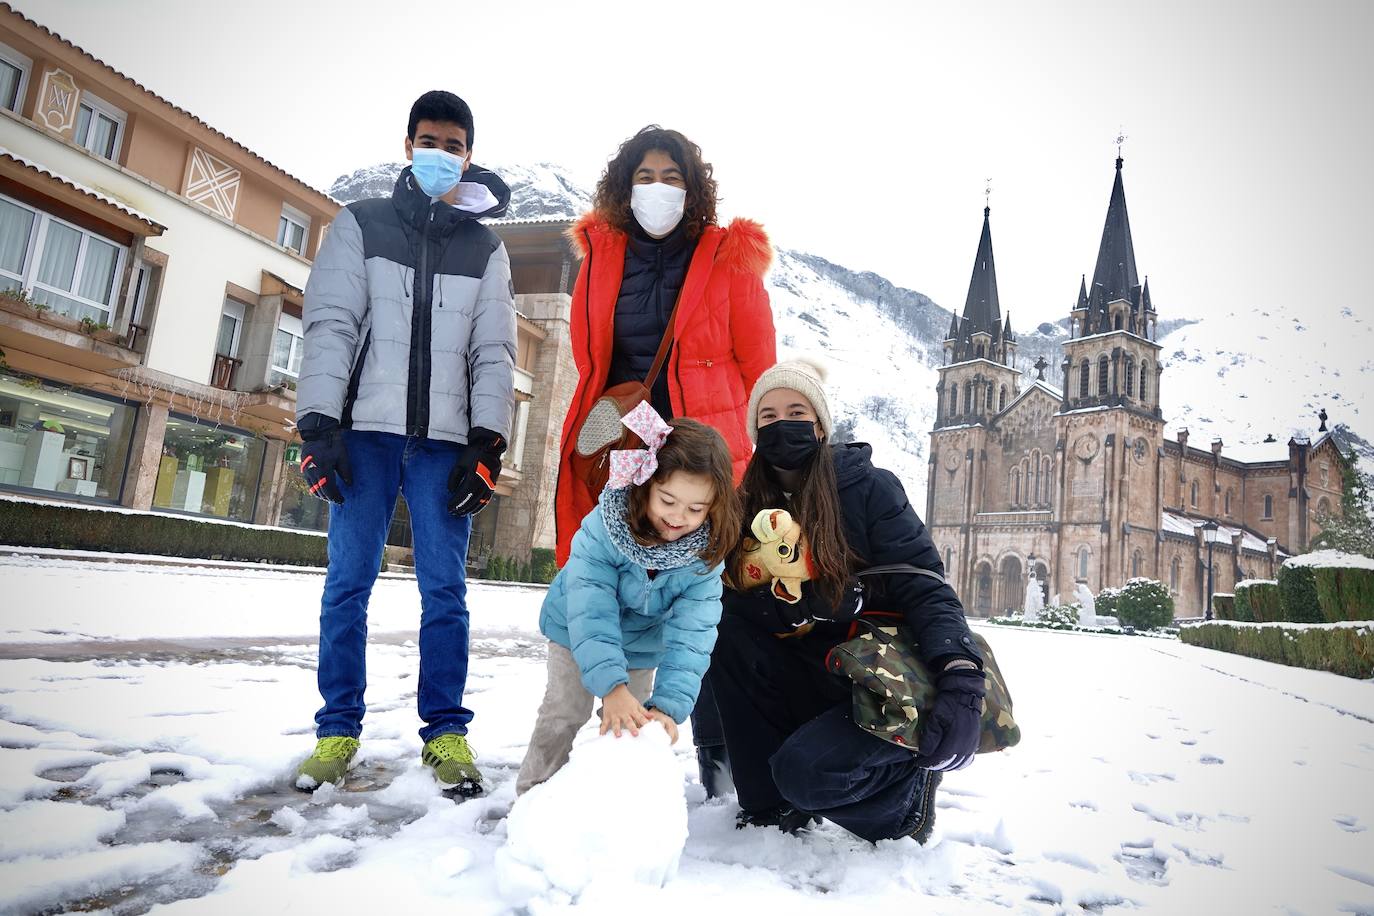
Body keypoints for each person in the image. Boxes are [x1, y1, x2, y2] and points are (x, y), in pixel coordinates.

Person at [292, 90, 516, 795]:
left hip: (445, 445)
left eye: (453, 145)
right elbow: (330, 324)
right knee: (347, 584)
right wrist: (319, 427)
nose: (440, 154)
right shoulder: (361, 225)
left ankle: (445, 732)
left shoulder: (486, 247)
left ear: (469, 155)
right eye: (429, 140)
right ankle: (336, 733)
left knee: (445, 591)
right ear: (408, 144)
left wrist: (488, 442)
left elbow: (494, 350)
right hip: (364, 435)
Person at [554, 125, 776, 794]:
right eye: (645, 176)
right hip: (628, 452)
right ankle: (607, 743)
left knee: (711, 605)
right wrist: (611, 428)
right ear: (626, 186)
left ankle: (717, 751)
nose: (658, 189)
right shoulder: (600, 254)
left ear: (694, 188)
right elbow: (592, 358)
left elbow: (760, 364)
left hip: (706, 458)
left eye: (673, 177)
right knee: (614, 581)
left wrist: (751, 463)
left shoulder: (728, 258)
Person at [706, 357, 986, 844]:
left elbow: (922, 581)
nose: (781, 425)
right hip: (794, 672)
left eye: (796, 412)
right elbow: (725, 595)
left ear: (819, 424)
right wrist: (790, 608)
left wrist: (961, 674)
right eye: (767, 417)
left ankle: (905, 805)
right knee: (722, 628)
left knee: (806, 776)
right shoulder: (743, 503)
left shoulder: (868, 488)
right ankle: (768, 808)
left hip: (868, 678)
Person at [517, 404, 742, 796]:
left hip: (639, 646)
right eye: (668, 501)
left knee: (632, 726)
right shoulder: (605, 528)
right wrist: (610, 686)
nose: (678, 517)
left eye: (695, 508)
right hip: (575, 629)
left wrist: (667, 706)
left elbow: (692, 636)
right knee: (565, 711)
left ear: (714, 506)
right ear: (646, 486)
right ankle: (534, 796)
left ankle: (611, 805)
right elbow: (591, 611)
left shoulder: (705, 557)